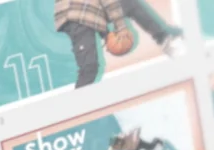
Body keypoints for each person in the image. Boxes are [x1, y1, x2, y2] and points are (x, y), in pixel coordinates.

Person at [54, 0, 186, 89]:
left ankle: (165, 39)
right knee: (89, 68)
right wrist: (120, 27)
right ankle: (76, 108)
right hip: (76, 11)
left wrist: (107, 33)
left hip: (90, 6)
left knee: (128, 3)